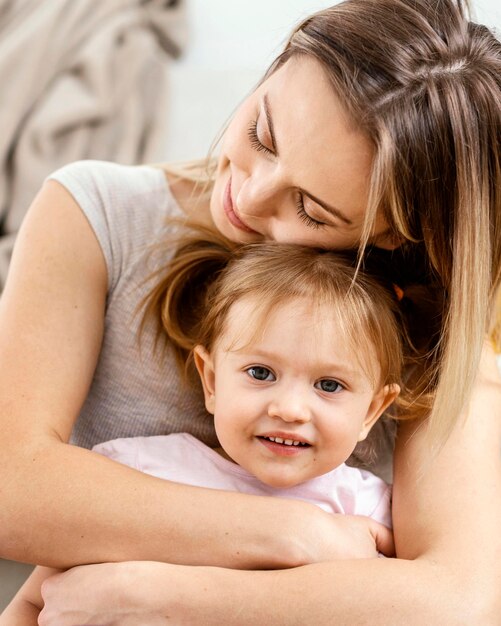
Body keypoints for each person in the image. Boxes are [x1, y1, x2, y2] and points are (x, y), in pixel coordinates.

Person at [0, 0, 499, 623]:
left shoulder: (432, 329)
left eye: (314, 211)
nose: (249, 194)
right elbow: (11, 490)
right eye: (263, 134)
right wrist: (295, 534)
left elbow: (457, 602)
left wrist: (162, 597)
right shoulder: (96, 213)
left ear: (393, 233)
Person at [3, 242, 404, 622]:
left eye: (329, 385)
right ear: (211, 382)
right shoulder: (137, 471)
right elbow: (35, 602)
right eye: (261, 373)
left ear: (371, 410)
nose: (289, 409)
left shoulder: (367, 512)